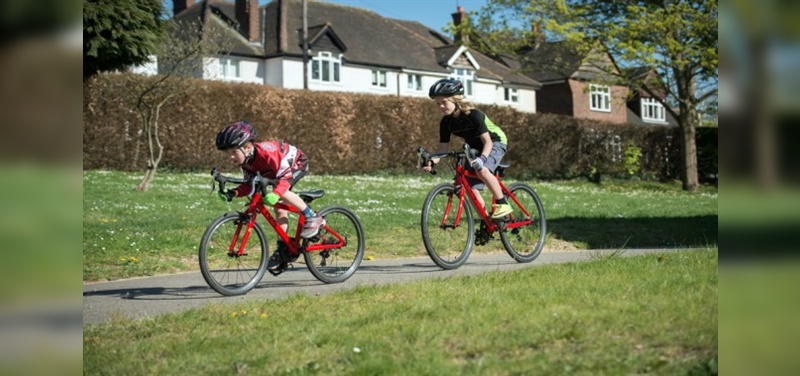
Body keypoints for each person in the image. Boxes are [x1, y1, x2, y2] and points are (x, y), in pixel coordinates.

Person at [215, 121, 325, 271]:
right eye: (228, 153)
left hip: (295, 164)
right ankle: (283, 248)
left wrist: (276, 193)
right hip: (273, 172)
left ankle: (313, 216)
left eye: (234, 152)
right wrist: (233, 192)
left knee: (282, 191)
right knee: (280, 209)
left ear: (247, 147)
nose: (231, 157)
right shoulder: (246, 161)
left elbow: (285, 178)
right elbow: (249, 185)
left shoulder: (267, 152)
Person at [423, 78, 512, 219]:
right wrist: (432, 161)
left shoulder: (473, 114)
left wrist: (483, 159)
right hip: (473, 147)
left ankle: (503, 203)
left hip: (495, 142)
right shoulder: (446, 122)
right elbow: (442, 148)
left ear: (455, 99)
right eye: (438, 103)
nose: (440, 106)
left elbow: (487, 142)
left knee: (482, 170)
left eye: (444, 102)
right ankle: (487, 221)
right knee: (470, 187)